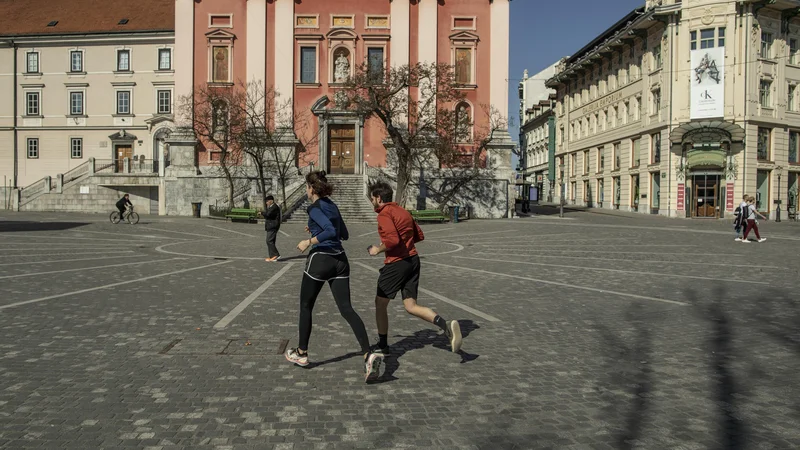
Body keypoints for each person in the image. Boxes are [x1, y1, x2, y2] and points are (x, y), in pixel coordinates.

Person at [285, 171, 382, 382]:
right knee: (346, 309)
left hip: (321, 260)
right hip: (340, 261)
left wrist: (309, 241)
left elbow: (329, 230)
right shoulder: (332, 205)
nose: (306, 190)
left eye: (306, 187)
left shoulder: (314, 207)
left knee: (305, 305)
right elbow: (343, 234)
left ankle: (301, 353)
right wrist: (314, 227)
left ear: (311, 188)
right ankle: (368, 354)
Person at [367, 181, 462, 355]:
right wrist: (403, 243)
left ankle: (383, 345)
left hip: (397, 264)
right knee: (410, 306)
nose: (372, 201)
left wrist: (378, 248)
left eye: (372, 198)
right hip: (413, 260)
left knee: (380, 303)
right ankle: (446, 325)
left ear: (378, 198)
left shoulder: (384, 214)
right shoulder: (403, 211)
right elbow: (419, 235)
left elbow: (393, 241)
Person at [262, 195, 281, 262]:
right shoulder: (271, 207)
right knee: (271, 241)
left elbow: (268, 214)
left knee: (269, 240)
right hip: (271, 225)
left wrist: (262, 213)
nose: (266, 203)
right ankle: (272, 256)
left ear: (271, 201)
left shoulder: (274, 207)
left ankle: (276, 255)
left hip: (273, 226)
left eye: (267, 201)